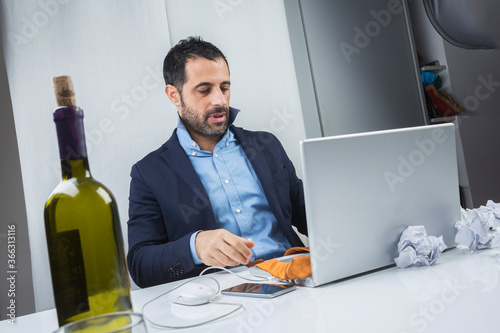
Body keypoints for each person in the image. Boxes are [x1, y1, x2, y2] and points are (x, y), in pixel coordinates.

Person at [127, 36, 307, 288]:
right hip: (224, 295)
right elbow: (140, 265)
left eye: (224, 87)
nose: (219, 101)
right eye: (204, 90)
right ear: (173, 95)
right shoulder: (149, 173)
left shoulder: (266, 146)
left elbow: (310, 214)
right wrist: (195, 246)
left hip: (295, 281)